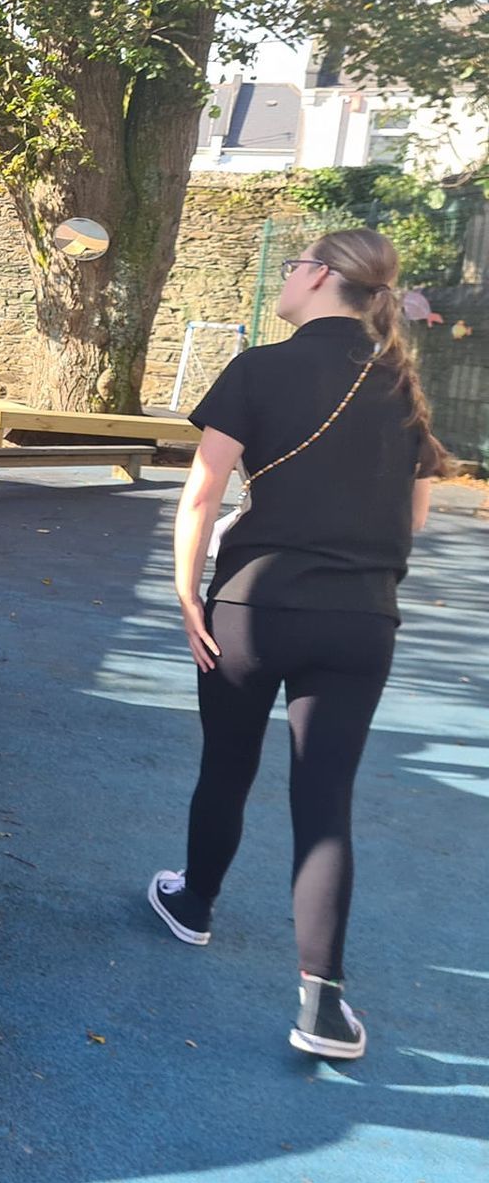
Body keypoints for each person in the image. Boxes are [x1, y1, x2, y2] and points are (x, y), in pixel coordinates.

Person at [151, 228, 446, 1062]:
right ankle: (322, 1005)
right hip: (360, 618)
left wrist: (185, 590)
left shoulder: (259, 368)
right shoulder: (401, 385)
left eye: (290, 267)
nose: (284, 280)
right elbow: (415, 516)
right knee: (325, 804)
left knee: (228, 765)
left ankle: (193, 904)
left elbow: (203, 492)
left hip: (253, 606)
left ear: (318, 277)